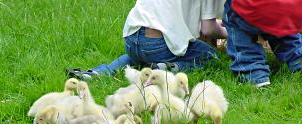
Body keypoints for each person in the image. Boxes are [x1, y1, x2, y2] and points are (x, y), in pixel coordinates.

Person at [68, 0, 227, 80]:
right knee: (210, 56)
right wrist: (231, 34)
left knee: (138, 57)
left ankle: (98, 73)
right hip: (158, 45)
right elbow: (208, 29)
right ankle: (165, 69)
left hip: (132, 37)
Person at [222, 0, 302, 87]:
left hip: (255, 9)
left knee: (234, 14)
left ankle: (253, 73)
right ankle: (298, 59)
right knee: (283, 24)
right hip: (289, 8)